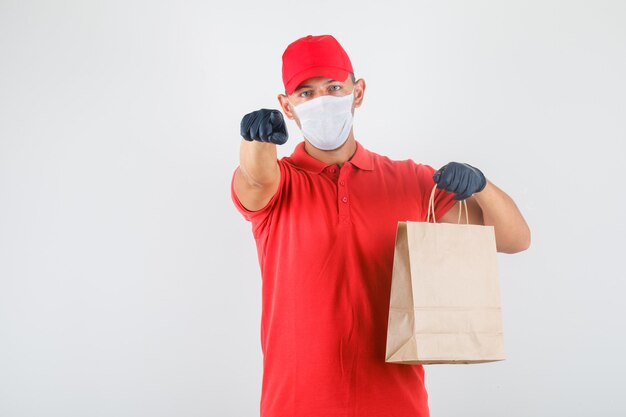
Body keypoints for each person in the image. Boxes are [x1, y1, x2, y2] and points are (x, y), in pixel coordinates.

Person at [231, 34, 530, 417]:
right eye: (306, 93)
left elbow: (515, 239)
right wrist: (255, 140)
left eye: (333, 87)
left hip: (396, 404)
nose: (321, 101)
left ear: (357, 93)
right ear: (286, 107)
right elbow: (255, 179)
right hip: (296, 405)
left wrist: (482, 186)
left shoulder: (412, 180)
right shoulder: (281, 182)